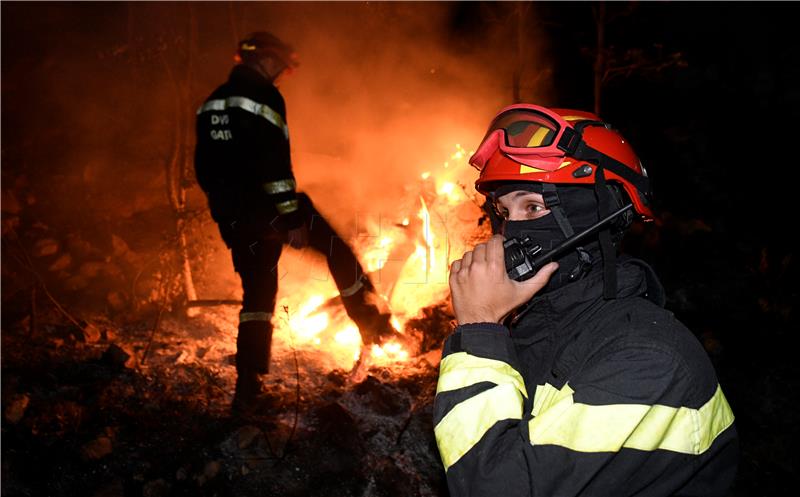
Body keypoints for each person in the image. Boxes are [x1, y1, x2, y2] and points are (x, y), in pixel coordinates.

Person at [434, 104, 738, 496]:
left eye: (534, 207)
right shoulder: (544, 327)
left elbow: (493, 485)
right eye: (503, 212)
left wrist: (479, 330)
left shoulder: (647, 359)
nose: (510, 232)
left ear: (599, 216)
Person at [194, 31, 404, 413]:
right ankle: (370, 322)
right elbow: (274, 167)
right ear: (262, 59)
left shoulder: (211, 104)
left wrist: (228, 216)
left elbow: (205, 170)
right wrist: (291, 217)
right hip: (270, 208)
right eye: (279, 65)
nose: (280, 74)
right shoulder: (263, 98)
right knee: (337, 250)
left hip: (236, 219)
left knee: (257, 298)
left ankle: (247, 391)